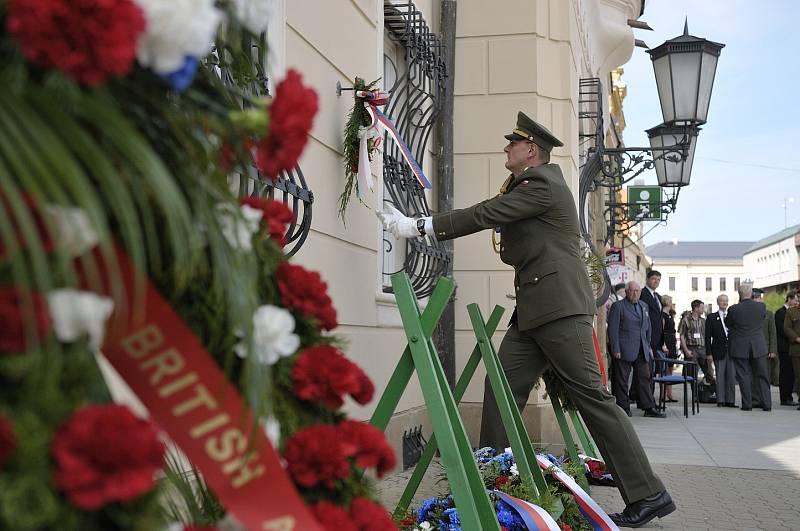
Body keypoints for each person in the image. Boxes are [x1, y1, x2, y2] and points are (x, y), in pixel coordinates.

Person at [377, 111, 674, 527]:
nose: (506, 148)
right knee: (500, 387)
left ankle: (649, 493)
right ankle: (493, 483)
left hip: (557, 309)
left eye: (512, 143)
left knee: (592, 397)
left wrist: (420, 226)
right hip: (535, 310)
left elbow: (486, 213)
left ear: (530, 150)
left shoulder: (543, 183)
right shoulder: (534, 184)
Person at [607, 281, 665, 419]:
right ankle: (623, 408)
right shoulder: (618, 306)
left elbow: (647, 327)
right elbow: (613, 329)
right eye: (632, 291)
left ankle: (648, 407)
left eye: (637, 291)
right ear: (627, 292)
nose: (635, 293)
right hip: (623, 349)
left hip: (641, 349)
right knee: (621, 380)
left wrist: (648, 345)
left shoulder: (644, 306)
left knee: (644, 378)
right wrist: (615, 348)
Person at [726, 283, 771, 411]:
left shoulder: (733, 309)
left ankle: (747, 404)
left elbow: (728, 323)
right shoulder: (761, 307)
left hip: (740, 347)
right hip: (758, 345)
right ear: (751, 293)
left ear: (739, 294)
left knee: (743, 376)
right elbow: (761, 320)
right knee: (762, 375)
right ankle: (767, 404)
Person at [705, 294, 736, 407]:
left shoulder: (732, 316)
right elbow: (707, 337)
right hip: (718, 350)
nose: (724, 303)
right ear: (718, 302)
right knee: (720, 375)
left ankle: (730, 400)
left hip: (732, 350)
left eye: (726, 301)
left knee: (731, 376)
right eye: (722, 301)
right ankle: (721, 400)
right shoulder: (711, 317)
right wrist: (708, 353)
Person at [751, 288, 777, 407]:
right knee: (752, 376)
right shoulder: (748, 313)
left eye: (758, 298)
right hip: (751, 349)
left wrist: (772, 350)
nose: (757, 300)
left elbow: (772, 333)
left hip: (765, 350)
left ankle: (765, 401)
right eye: (754, 298)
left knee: (764, 376)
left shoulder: (769, 313)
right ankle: (755, 400)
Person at [775, 290, 798, 406]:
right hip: (785, 348)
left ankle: (789, 396)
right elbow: (783, 330)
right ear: (789, 299)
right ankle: (785, 398)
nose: (796, 302)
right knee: (786, 373)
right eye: (795, 299)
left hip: (793, 347)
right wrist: (795, 337)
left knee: (792, 373)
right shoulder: (780, 312)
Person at [782, 300, 800, 410]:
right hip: (797, 350)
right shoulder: (791, 312)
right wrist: (796, 338)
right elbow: (787, 328)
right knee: (799, 376)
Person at [660, 295, 678, 402]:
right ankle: (663, 394)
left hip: (671, 341)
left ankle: (669, 393)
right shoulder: (662, 316)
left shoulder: (670, 315)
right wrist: (663, 344)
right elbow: (661, 330)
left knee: (670, 369)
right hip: (666, 340)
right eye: (670, 301)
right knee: (664, 369)